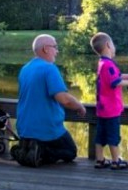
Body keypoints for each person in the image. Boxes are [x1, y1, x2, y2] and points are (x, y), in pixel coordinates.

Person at [15, 34, 86, 167]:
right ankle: (40, 152)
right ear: (46, 49)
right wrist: (80, 107)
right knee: (70, 151)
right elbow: (64, 99)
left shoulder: (25, 69)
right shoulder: (49, 68)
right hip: (46, 128)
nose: (57, 51)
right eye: (55, 47)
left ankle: (24, 150)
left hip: (24, 128)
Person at [90, 32, 128, 170]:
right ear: (107, 45)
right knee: (113, 136)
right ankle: (116, 161)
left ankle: (100, 160)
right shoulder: (109, 65)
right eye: (112, 44)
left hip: (102, 109)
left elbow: (117, 76)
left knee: (100, 135)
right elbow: (115, 81)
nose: (113, 46)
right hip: (111, 109)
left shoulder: (102, 63)